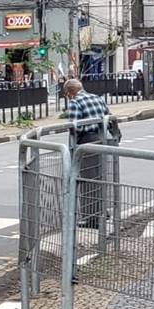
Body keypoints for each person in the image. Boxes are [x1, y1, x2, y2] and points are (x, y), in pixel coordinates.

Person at [63, 78, 111, 229]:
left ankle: (92, 218)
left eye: (67, 94)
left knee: (87, 180)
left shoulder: (75, 102)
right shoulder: (97, 98)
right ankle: (103, 211)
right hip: (102, 140)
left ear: (71, 91)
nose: (68, 97)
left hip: (86, 142)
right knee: (99, 177)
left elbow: (75, 126)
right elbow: (109, 117)